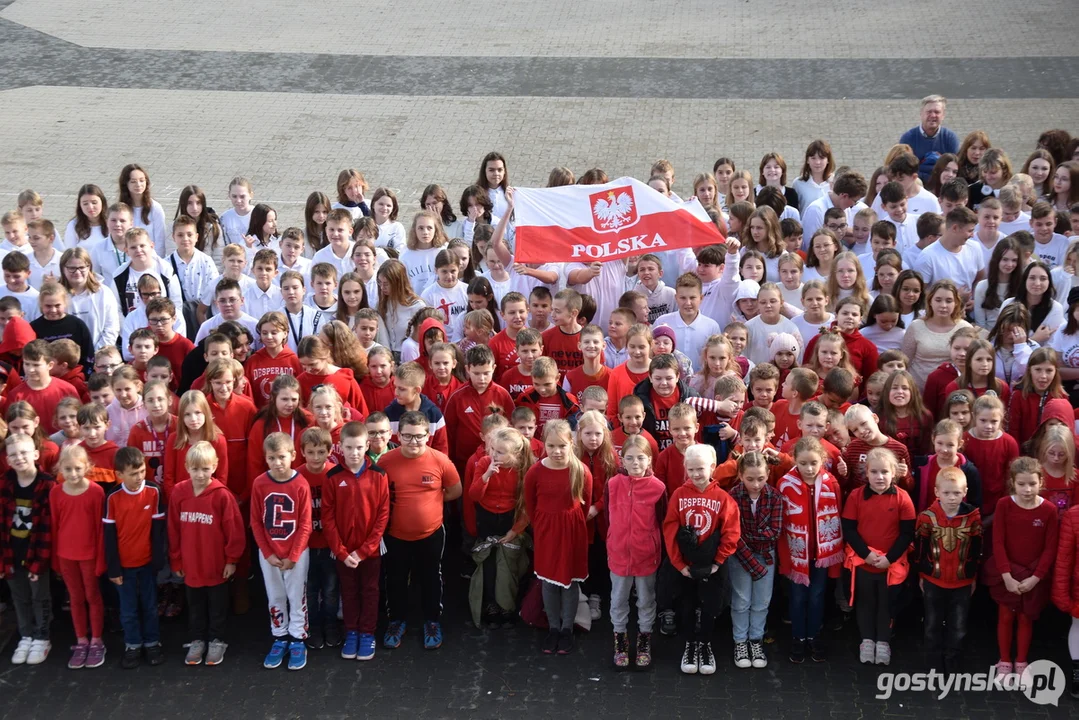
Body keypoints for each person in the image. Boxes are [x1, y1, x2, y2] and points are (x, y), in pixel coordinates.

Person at [378, 410, 462, 651]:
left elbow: (455, 491)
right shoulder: (386, 461)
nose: (413, 442)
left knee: (431, 578)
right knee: (394, 579)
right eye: (407, 436)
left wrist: (431, 502)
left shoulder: (440, 461)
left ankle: (432, 621)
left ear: (428, 435)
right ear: (398, 435)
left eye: (419, 436)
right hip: (395, 535)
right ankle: (396, 621)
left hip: (431, 533)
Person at [661, 443, 739, 675]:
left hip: (712, 567)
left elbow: (731, 532)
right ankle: (690, 644)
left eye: (701, 469)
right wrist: (678, 564)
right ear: (685, 468)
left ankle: (705, 643)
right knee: (687, 605)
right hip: (686, 566)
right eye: (691, 469)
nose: (696, 474)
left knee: (709, 606)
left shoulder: (723, 498)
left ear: (712, 467)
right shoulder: (679, 494)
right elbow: (670, 530)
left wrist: (717, 562)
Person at [168, 441, 245, 666]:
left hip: (216, 564)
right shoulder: (179, 492)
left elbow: (234, 530)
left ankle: (217, 640)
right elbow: (173, 528)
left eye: (205, 468)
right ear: (186, 466)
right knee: (195, 605)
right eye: (195, 469)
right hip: (191, 564)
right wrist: (176, 559)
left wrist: (232, 560)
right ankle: (197, 639)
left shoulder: (222, 495)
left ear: (215, 466)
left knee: (218, 605)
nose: (200, 474)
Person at [984, 457, 1059, 677]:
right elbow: (998, 542)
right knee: (1006, 616)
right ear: (1013, 483)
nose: (1027, 489)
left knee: (1026, 617)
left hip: (1033, 576)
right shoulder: (1004, 505)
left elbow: (1050, 548)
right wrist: (1007, 576)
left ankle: (1022, 661)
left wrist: (1035, 577)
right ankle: (1005, 660)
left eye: (1032, 484)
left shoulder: (1049, 510)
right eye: (1022, 484)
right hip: (1007, 575)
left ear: (1041, 482)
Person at [841, 448, 915, 666]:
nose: (879, 477)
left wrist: (889, 558)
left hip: (889, 565)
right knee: (865, 603)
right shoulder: (856, 496)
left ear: (894, 473)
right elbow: (849, 529)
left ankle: (883, 641)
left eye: (885, 471)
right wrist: (867, 554)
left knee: (886, 604)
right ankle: (866, 640)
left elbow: (907, 533)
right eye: (874, 472)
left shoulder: (903, 498)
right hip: (864, 562)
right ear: (866, 473)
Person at [322, 422, 389, 662]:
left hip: (370, 551)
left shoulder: (379, 475)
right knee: (348, 592)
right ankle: (351, 632)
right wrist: (340, 551)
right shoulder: (332, 477)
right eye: (349, 448)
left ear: (367, 446)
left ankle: (367, 633)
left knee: (370, 591)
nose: (354, 453)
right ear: (340, 447)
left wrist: (364, 551)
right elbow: (327, 518)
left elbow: (382, 516)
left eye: (359, 447)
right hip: (342, 552)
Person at [526, 420, 593, 655]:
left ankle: (567, 629)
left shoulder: (581, 471)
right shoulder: (535, 471)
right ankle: (553, 627)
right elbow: (530, 503)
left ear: (571, 444)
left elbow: (585, 505)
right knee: (549, 581)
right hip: (546, 532)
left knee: (570, 582)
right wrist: (542, 527)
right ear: (544, 444)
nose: (556, 451)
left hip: (572, 532)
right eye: (551, 446)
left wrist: (570, 524)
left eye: (562, 446)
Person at [777, 436, 845, 663]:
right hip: (796, 555)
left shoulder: (831, 483)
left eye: (813, 463)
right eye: (803, 463)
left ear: (822, 461)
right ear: (795, 460)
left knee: (817, 596)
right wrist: (786, 557)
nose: (809, 468)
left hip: (821, 555)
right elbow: (782, 524)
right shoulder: (785, 485)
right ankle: (798, 638)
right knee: (797, 598)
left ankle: (814, 636)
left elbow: (837, 519)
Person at [251, 432, 313, 671]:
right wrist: (267, 553)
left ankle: (298, 638)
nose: (277, 462)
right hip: (270, 554)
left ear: (293, 456)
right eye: (271, 458)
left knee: (297, 596)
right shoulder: (260, 483)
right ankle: (280, 636)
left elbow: (306, 524)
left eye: (281, 457)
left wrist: (294, 555)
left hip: (295, 553)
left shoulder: (300, 484)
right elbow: (256, 521)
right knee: (275, 596)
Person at [914, 466, 983, 672]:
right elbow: (919, 549)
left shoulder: (973, 518)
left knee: (958, 626)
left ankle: (952, 662)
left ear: (965, 492)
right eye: (946, 493)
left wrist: (973, 577)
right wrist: (921, 575)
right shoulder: (927, 517)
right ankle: (933, 663)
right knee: (932, 625)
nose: (951, 498)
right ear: (936, 492)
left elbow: (977, 549)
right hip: (933, 580)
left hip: (962, 582)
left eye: (956, 493)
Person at [105, 446, 167, 669]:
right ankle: (132, 645)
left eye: (142, 471)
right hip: (124, 567)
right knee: (128, 609)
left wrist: (158, 560)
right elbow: (109, 537)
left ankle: (152, 643)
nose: (139, 477)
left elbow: (158, 531)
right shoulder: (112, 498)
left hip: (148, 563)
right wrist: (113, 569)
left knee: (150, 606)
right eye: (133, 473)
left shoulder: (154, 491)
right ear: (119, 475)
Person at [51, 443, 108, 671]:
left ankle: (96, 640)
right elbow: (55, 525)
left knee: (92, 595)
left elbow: (100, 529)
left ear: (87, 467)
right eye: (68, 469)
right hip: (66, 555)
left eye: (77, 468)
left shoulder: (96, 492)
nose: (73, 474)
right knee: (75, 597)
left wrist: (101, 559)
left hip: (89, 555)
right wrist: (55, 559)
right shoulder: (56, 493)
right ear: (61, 470)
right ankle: (81, 640)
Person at [1, 434, 57, 665]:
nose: (19, 458)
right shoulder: (4, 483)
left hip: (36, 552)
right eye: (13, 454)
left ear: (35, 454)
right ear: (7, 459)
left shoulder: (47, 485)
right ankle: (26, 634)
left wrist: (40, 562)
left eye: (24, 452)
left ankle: (42, 636)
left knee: (39, 596)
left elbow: (48, 528)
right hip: (10, 552)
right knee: (19, 596)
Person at [469, 426, 533, 627]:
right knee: (488, 563)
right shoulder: (485, 463)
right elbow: (473, 495)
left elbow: (528, 506)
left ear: (514, 453)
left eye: (500, 452)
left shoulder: (524, 469)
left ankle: (507, 605)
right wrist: (486, 475)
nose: (494, 454)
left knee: (508, 564)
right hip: (487, 518)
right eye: (493, 449)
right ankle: (490, 605)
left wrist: (516, 530)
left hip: (510, 519)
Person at [728, 450, 783, 670]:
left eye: (761, 478)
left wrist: (749, 536)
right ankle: (740, 641)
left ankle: (756, 640)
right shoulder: (732, 496)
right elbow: (732, 533)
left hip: (766, 555)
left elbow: (775, 532)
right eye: (750, 479)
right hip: (740, 556)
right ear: (741, 475)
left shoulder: (775, 497)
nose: (756, 484)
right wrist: (751, 538)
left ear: (768, 473)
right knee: (741, 601)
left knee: (761, 602)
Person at [899, 95, 960, 181]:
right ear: (921, 113)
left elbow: (954, 169)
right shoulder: (908, 139)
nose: (933, 115)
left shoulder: (950, 138)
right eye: (929, 112)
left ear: (943, 115)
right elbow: (905, 170)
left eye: (937, 112)